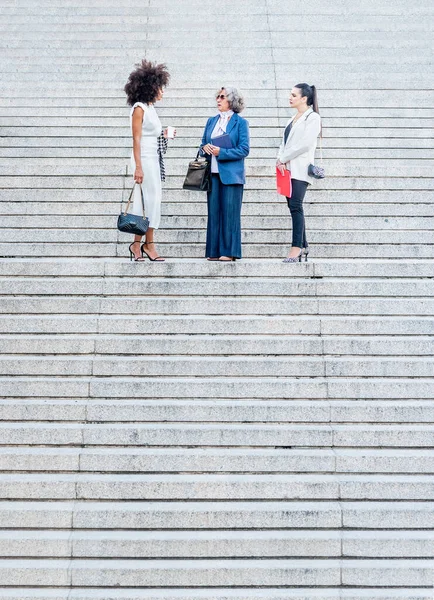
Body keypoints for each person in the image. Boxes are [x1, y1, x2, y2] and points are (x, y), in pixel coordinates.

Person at [124, 59, 175, 262]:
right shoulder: (139, 108)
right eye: (160, 88)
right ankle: (148, 244)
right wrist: (138, 167)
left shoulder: (151, 108)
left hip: (154, 157)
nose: (162, 92)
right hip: (143, 158)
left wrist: (164, 133)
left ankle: (138, 244)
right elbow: (136, 138)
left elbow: (151, 132)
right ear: (150, 87)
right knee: (146, 202)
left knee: (152, 202)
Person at [200, 87, 250, 261]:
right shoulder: (211, 121)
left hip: (232, 175)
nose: (218, 100)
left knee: (230, 214)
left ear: (231, 100)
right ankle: (213, 251)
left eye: (222, 97)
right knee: (213, 213)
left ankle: (229, 251)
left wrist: (221, 152)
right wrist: (204, 148)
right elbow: (202, 144)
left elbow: (244, 149)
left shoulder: (240, 123)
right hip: (212, 174)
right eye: (217, 97)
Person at [276, 83, 321, 263]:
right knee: (292, 206)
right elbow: (284, 143)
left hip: (301, 169)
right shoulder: (292, 119)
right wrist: (280, 159)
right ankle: (304, 245)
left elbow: (305, 143)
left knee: (296, 206)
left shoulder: (313, 118)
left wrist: (284, 157)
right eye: (290, 94)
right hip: (287, 170)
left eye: (294, 95)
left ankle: (296, 248)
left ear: (304, 98)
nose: (290, 97)